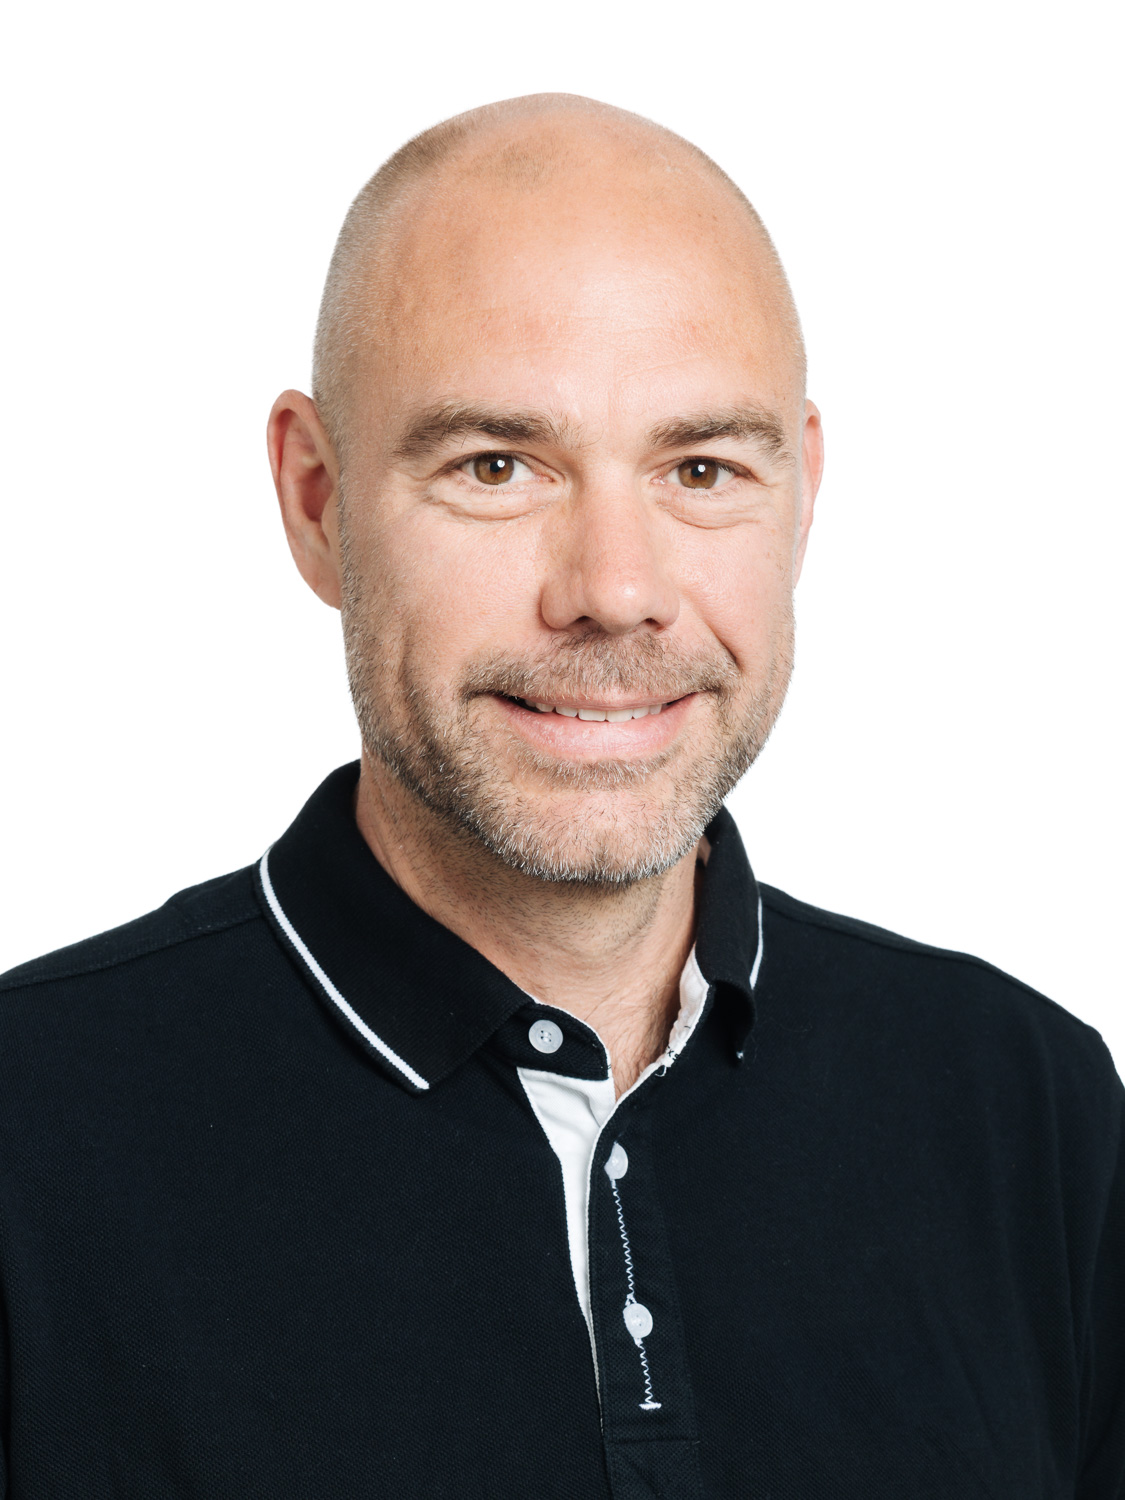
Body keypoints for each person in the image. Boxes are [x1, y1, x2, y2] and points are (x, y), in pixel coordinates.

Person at [0, 92, 1120, 1500]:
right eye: (496, 466)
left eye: (701, 468)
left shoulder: (1028, 1110)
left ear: (802, 494)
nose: (614, 589)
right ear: (316, 498)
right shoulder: (29, 1138)